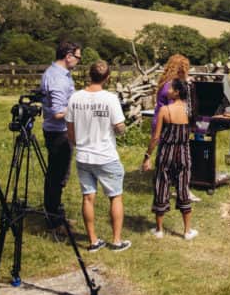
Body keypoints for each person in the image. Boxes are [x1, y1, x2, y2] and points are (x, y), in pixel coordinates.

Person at [66, 60, 130, 252]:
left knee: (87, 198)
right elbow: (119, 128)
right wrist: (121, 129)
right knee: (115, 196)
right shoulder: (110, 99)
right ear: (107, 78)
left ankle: (93, 241)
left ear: (89, 75)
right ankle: (116, 241)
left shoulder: (75, 98)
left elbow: (70, 130)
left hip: (84, 156)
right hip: (106, 155)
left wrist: (79, 144)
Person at [142, 78, 196, 240]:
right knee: (183, 188)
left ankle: (159, 230)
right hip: (184, 154)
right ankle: (187, 231)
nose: (167, 91)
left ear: (177, 92)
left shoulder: (165, 110)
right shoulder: (190, 110)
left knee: (161, 187)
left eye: (170, 88)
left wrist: (147, 156)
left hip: (166, 154)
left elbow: (156, 137)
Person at [40, 40, 81, 231]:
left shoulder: (59, 74)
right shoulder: (57, 78)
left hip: (58, 131)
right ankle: (53, 219)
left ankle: (54, 212)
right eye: (78, 57)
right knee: (57, 175)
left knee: (57, 174)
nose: (78, 62)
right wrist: (79, 105)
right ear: (69, 56)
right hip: (58, 133)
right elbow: (57, 112)